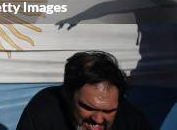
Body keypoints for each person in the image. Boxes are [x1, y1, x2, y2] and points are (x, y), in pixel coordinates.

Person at [16, 51, 151, 130]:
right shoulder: (44, 109)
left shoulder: (133, 121)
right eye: (88, 107)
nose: (98, 120)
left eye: (109, 111)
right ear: (67, 94)